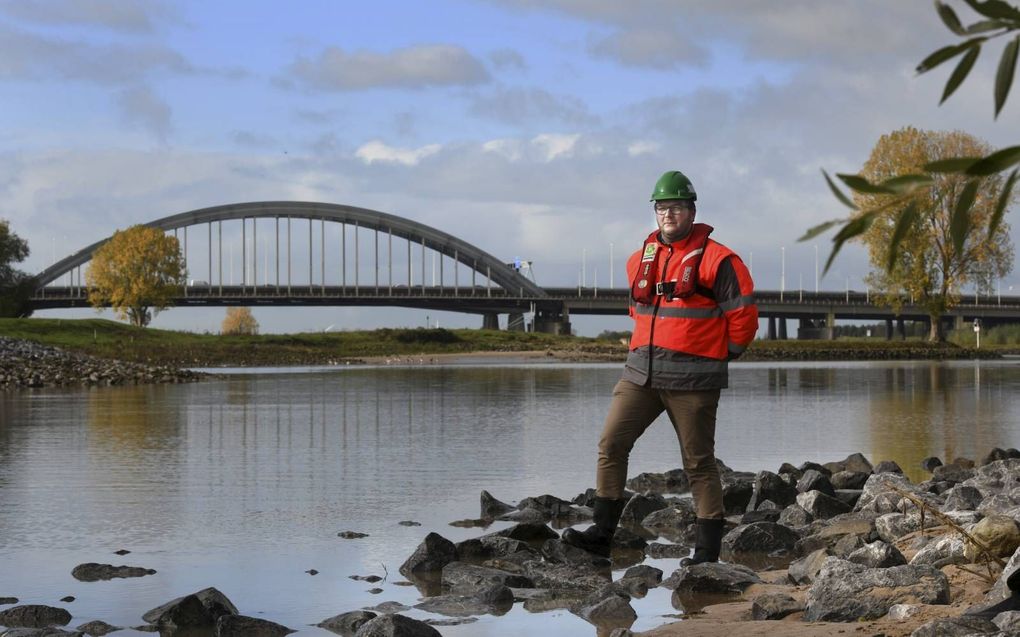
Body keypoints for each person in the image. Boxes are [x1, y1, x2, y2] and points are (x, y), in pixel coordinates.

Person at [562, 170, 758, 564]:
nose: (668, 214)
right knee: (612, 443)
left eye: (676, 207)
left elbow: (744, 319)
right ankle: (602, 534)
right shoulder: (640, 260)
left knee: (698, 462)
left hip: (694, 379)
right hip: (640, 374)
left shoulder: (720, 260)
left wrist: (721, 356)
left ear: (691, 210)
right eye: (662, 207)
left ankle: (706, 555)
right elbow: (638, 311)